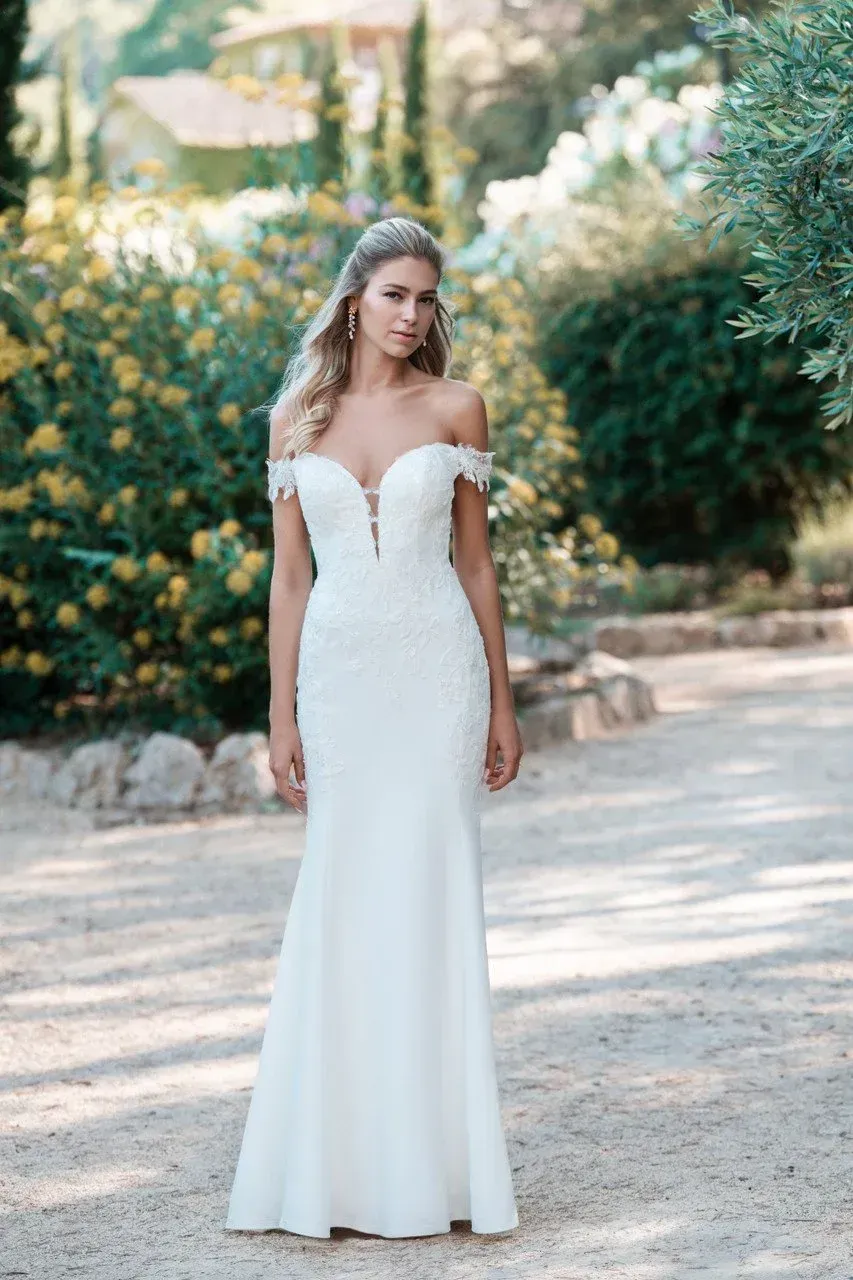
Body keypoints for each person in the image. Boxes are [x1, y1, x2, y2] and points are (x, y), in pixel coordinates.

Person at [225, 216, 523, 1240]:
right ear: (355, 297)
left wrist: (501, 695)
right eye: (395, 293)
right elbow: (290, 578)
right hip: (340, 682)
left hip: (435, 673)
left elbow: (477, 565)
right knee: (344, 889)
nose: (411, 314)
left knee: (429, 888)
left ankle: (433, 1170)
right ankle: (335, 1169)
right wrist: (279, 715)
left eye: (426, 297)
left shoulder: (456, 407)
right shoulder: (294, 419)